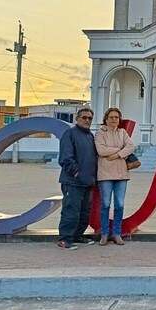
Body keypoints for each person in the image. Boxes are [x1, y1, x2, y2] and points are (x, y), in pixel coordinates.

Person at [57, 107, 98, 250]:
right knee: (71, 210)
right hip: (73, 182)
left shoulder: (90, 136)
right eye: (84, 117)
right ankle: (65, 238)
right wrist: (77, 174)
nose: (87, 120)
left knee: (84, 211)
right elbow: (65, 158)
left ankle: (77, 235)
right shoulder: (70, 134)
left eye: (90, 118)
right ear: (77, 119)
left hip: (87, 182)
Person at [94, 107, 135, 246]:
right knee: (105, 204)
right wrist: (121, 150)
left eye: (116, 117)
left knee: (120, 205)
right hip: (105, 173)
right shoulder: (100, 133)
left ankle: (117, 233)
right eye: (111, 117)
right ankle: (104, 234)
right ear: (106, 119)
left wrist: (116, 155)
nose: (114, 120)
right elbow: (100, 150)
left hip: (121, 173)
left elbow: (131, 147)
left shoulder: (122, 132)